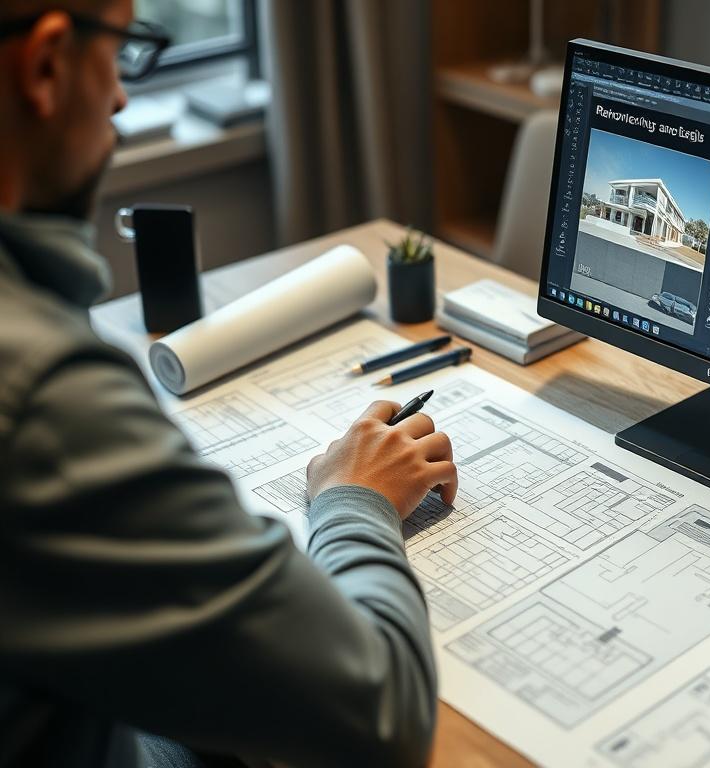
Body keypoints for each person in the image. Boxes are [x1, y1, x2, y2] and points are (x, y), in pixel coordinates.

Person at [0, 1, 458, 766]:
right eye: (120, 52)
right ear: (47, 65)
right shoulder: (43, 394)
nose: (117, 100)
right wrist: (357, 499)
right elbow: (383, 719)